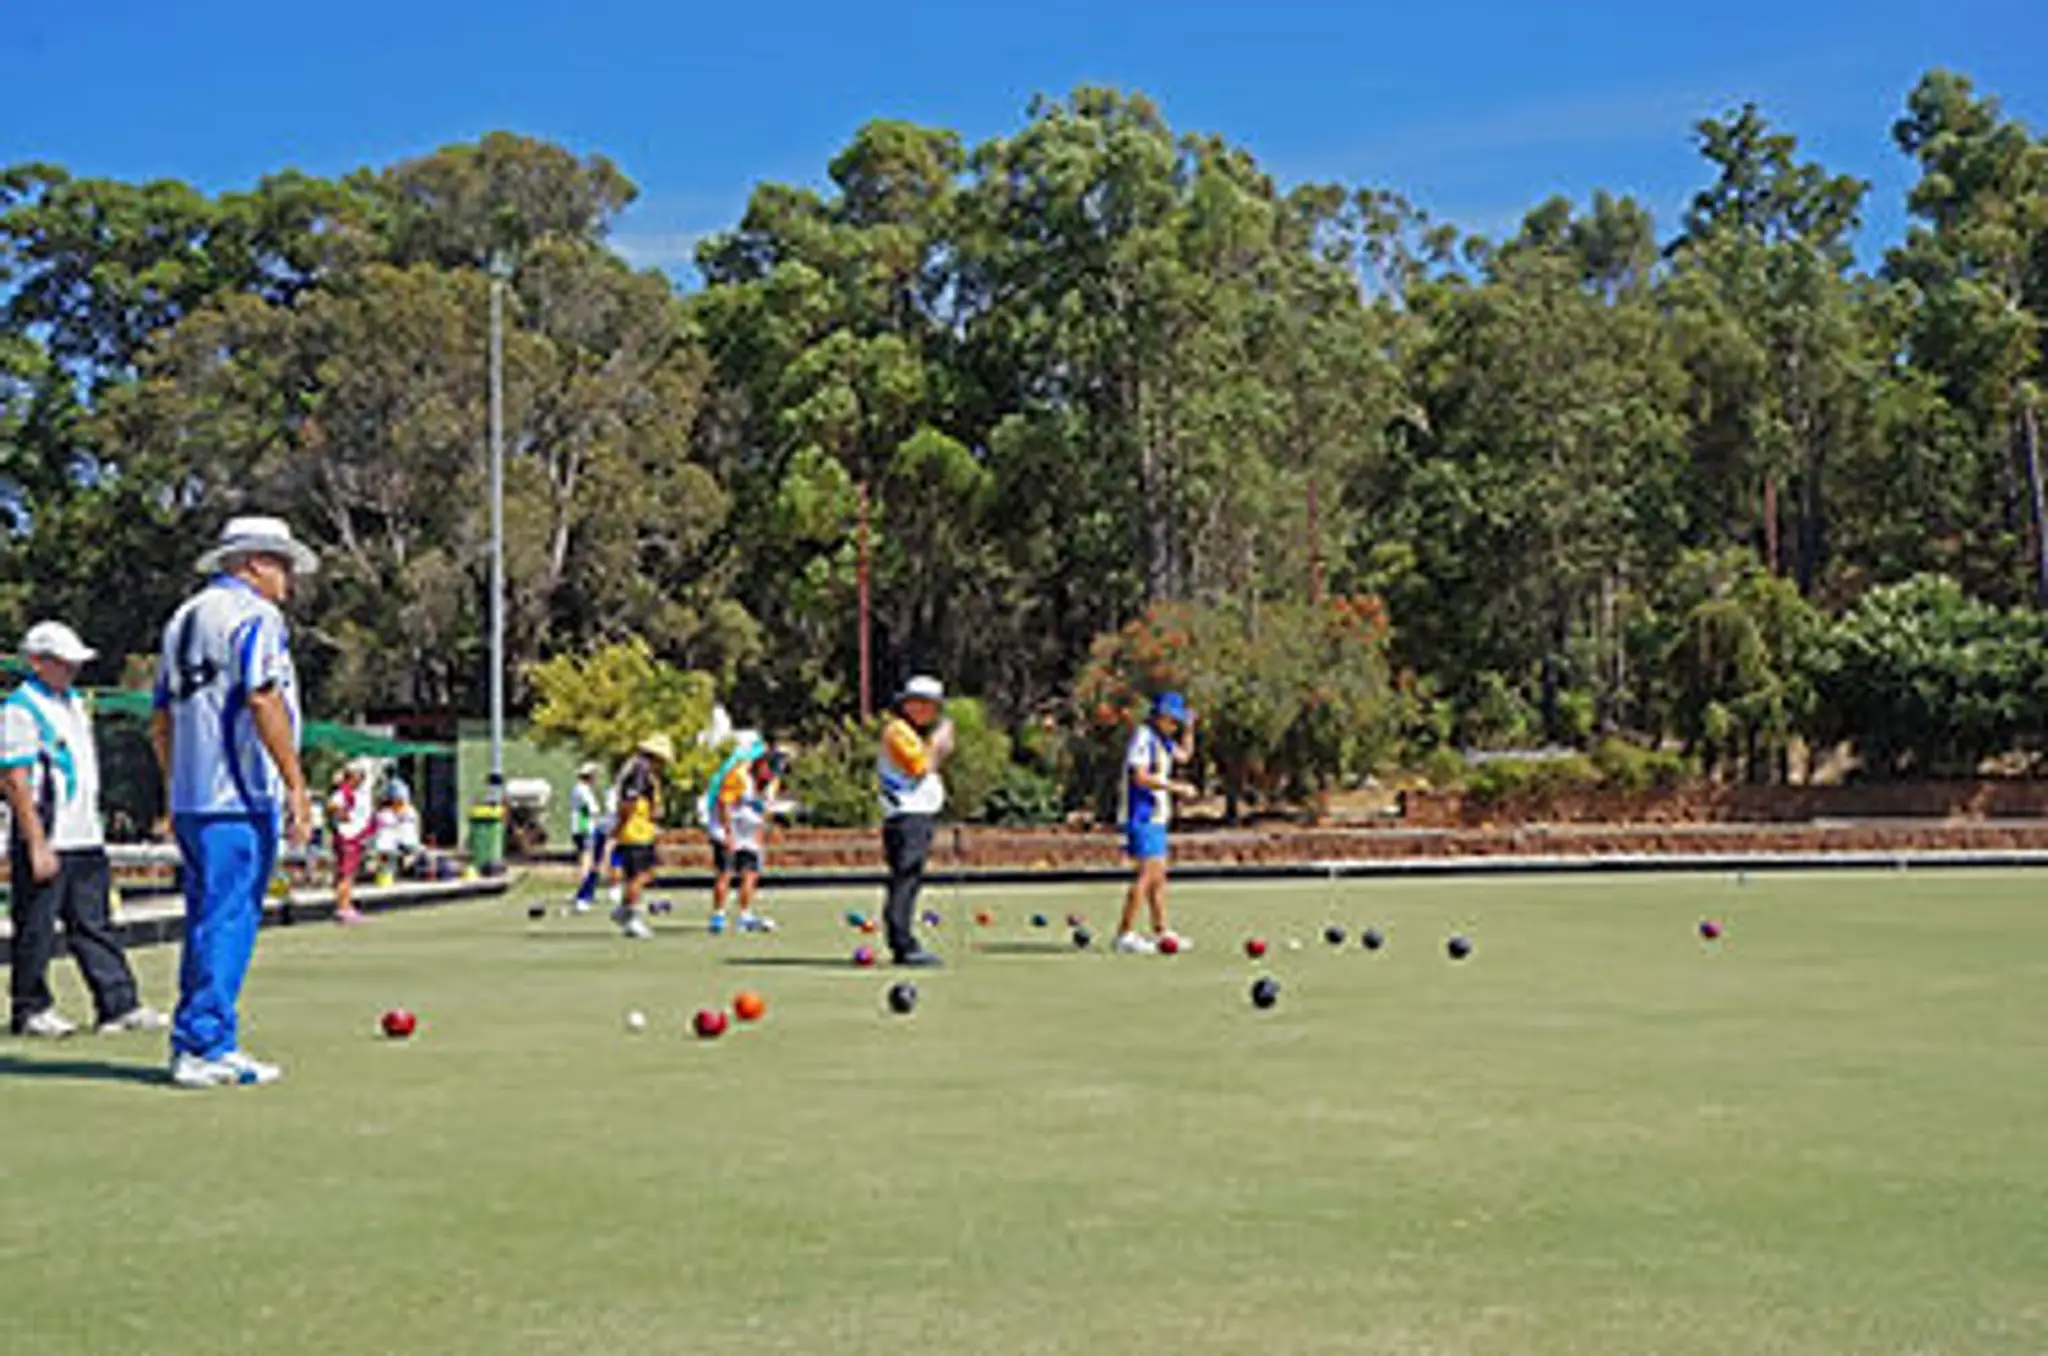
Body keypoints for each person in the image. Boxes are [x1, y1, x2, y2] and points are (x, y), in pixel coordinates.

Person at [152, 514, 317, 1088]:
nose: (289, 579)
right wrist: (295, 784)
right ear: (254, 563)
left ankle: (197, 1036)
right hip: (239, 796)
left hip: (196, 798)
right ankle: (207, 1042)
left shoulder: (182, 620)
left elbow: (162, 717)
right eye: (283, 565)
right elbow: (262, 695)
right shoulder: (255, 617)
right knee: (229, 919)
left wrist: (174, 788)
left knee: (206, 917)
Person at [2, 621, 168, 1038]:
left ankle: (118, 1004)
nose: (72, 669)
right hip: (47, 836)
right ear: (37, 663)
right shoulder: (19, 710)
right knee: (36, 927)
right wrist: (36, 842)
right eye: (63, 662)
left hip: (85, 836)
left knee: (95, 923)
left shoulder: (75, 702)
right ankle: (30, 1009)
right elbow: (15, 780)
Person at [876, 676, 953, 967]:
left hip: (916, 815)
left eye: (933, 705)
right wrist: (938, 743)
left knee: (910, 877)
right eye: (924, 704)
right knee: (905, 878)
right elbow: (920, 767)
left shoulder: (910, 733)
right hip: (906, 817)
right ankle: (903, 944)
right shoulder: (898, 731)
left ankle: (903, 940)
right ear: (908, 704)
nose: (930, 711)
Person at [1114, 691, 1199, 955]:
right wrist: (1176, 787)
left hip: (1157, 816)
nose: (1174, 725)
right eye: (1173, 720)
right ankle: (1124, 933)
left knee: (1159, 878)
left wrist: (1190, 730)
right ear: (1160, 716)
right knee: (1147, 874)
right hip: (1141, 814)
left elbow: (1185, 756)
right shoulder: (1144, 737)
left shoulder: (1163, 740)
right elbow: (1139, 776)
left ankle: (1161, 930)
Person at [704, 739, 777, 934]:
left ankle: (745, 916)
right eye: (769, 770)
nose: (771, 775)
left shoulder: (772, 782)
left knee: (750, 874)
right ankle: (718, 915)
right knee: (725, 872)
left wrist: (760, 836)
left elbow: (766, 811)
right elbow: (723, 804)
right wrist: (728, 835)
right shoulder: (738, 775)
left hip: (749, 832)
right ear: (760, 764)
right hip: (725, 828)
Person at [608, 734, 672, 940]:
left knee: (644, 874)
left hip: (643, 830)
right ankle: (630, 916)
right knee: (637, 876)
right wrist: (620, 826)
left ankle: (624, 911)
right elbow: (629, 802)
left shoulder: (644, 771)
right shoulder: (640, 770)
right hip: (635, 831)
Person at [326, 761, 374, 925]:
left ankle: (346, 906)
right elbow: (332, 806)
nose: (361, 778)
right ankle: (343, 908)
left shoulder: (357, 793)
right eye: (359, 775)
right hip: (347, 837)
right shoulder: (344, 793)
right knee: (345, 875)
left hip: (354, 837)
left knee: (348, 874)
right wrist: (342, 814)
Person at [569, 762, 604, 913]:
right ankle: (584, 891)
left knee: (585, 858)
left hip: (579, 827)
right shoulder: (583, 790)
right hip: (585, 828)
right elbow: (593, 810)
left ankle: (584, 891)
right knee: (587, 859)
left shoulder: (579, 789)